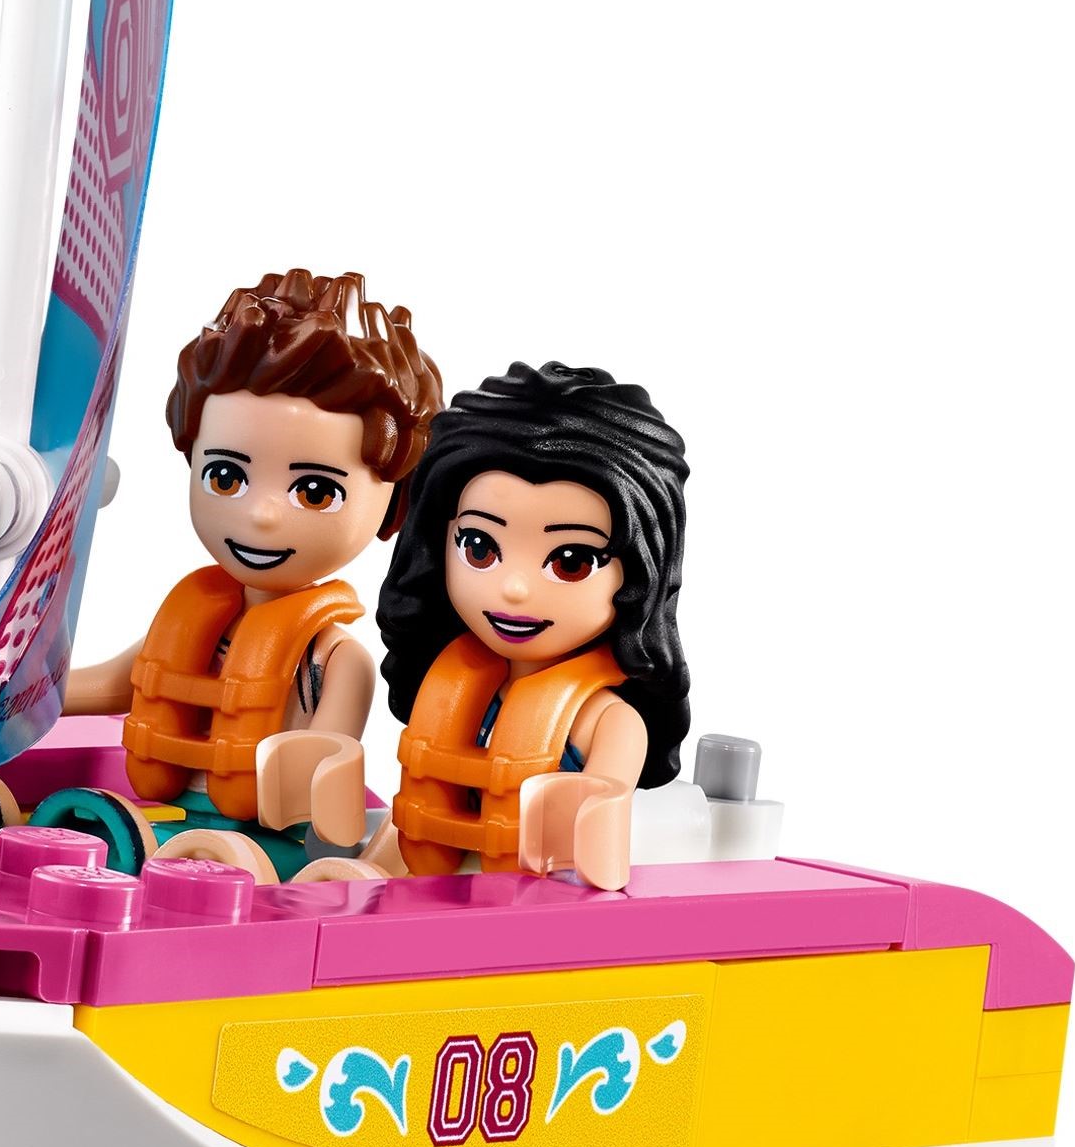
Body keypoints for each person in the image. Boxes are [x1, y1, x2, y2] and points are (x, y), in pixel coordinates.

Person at [52, 270, 443, 879]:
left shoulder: (333, 661)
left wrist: (306, 780)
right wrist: (4, 690)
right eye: (227, 477)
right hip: (166, 817)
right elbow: (109, 685)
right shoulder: (192, 624)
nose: (262, 514)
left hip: (272, 843)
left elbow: (329, 772)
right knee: (78, 828)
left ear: (395, 504)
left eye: (315, 492)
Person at [300, 362, 689, 890]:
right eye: (480, 548)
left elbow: (597, 855)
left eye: (570, 561)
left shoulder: (605, 723)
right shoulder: (454, 688)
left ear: (639, 575)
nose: (515, 588)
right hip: (430, 884)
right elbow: (410, 822)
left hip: (536, 900)